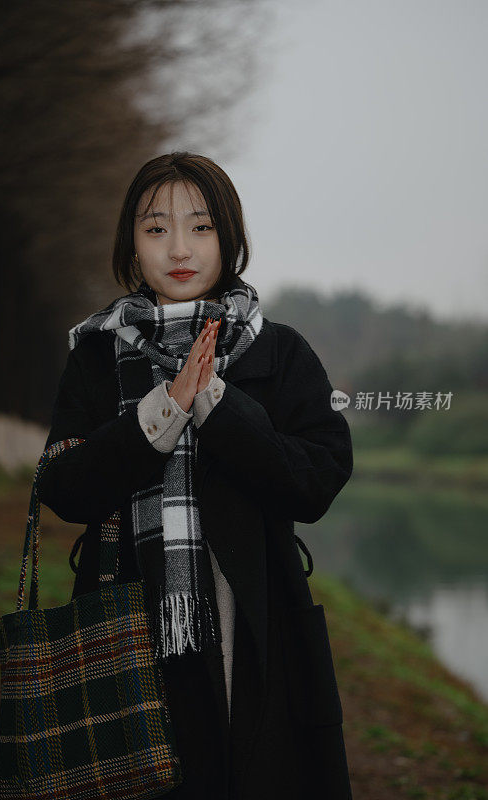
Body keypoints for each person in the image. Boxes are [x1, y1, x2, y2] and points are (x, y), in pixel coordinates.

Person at [36, 151, 354, 800]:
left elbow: (317, 479)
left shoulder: (278, 350)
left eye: (200, 227)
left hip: (257, 623)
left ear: (229, 238)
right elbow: (64, 487)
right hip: (129, 619)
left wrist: (212, 399)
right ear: (131, 242)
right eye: (156, 229)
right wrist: (164, 410)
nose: (178, 248)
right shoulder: (98, 356)